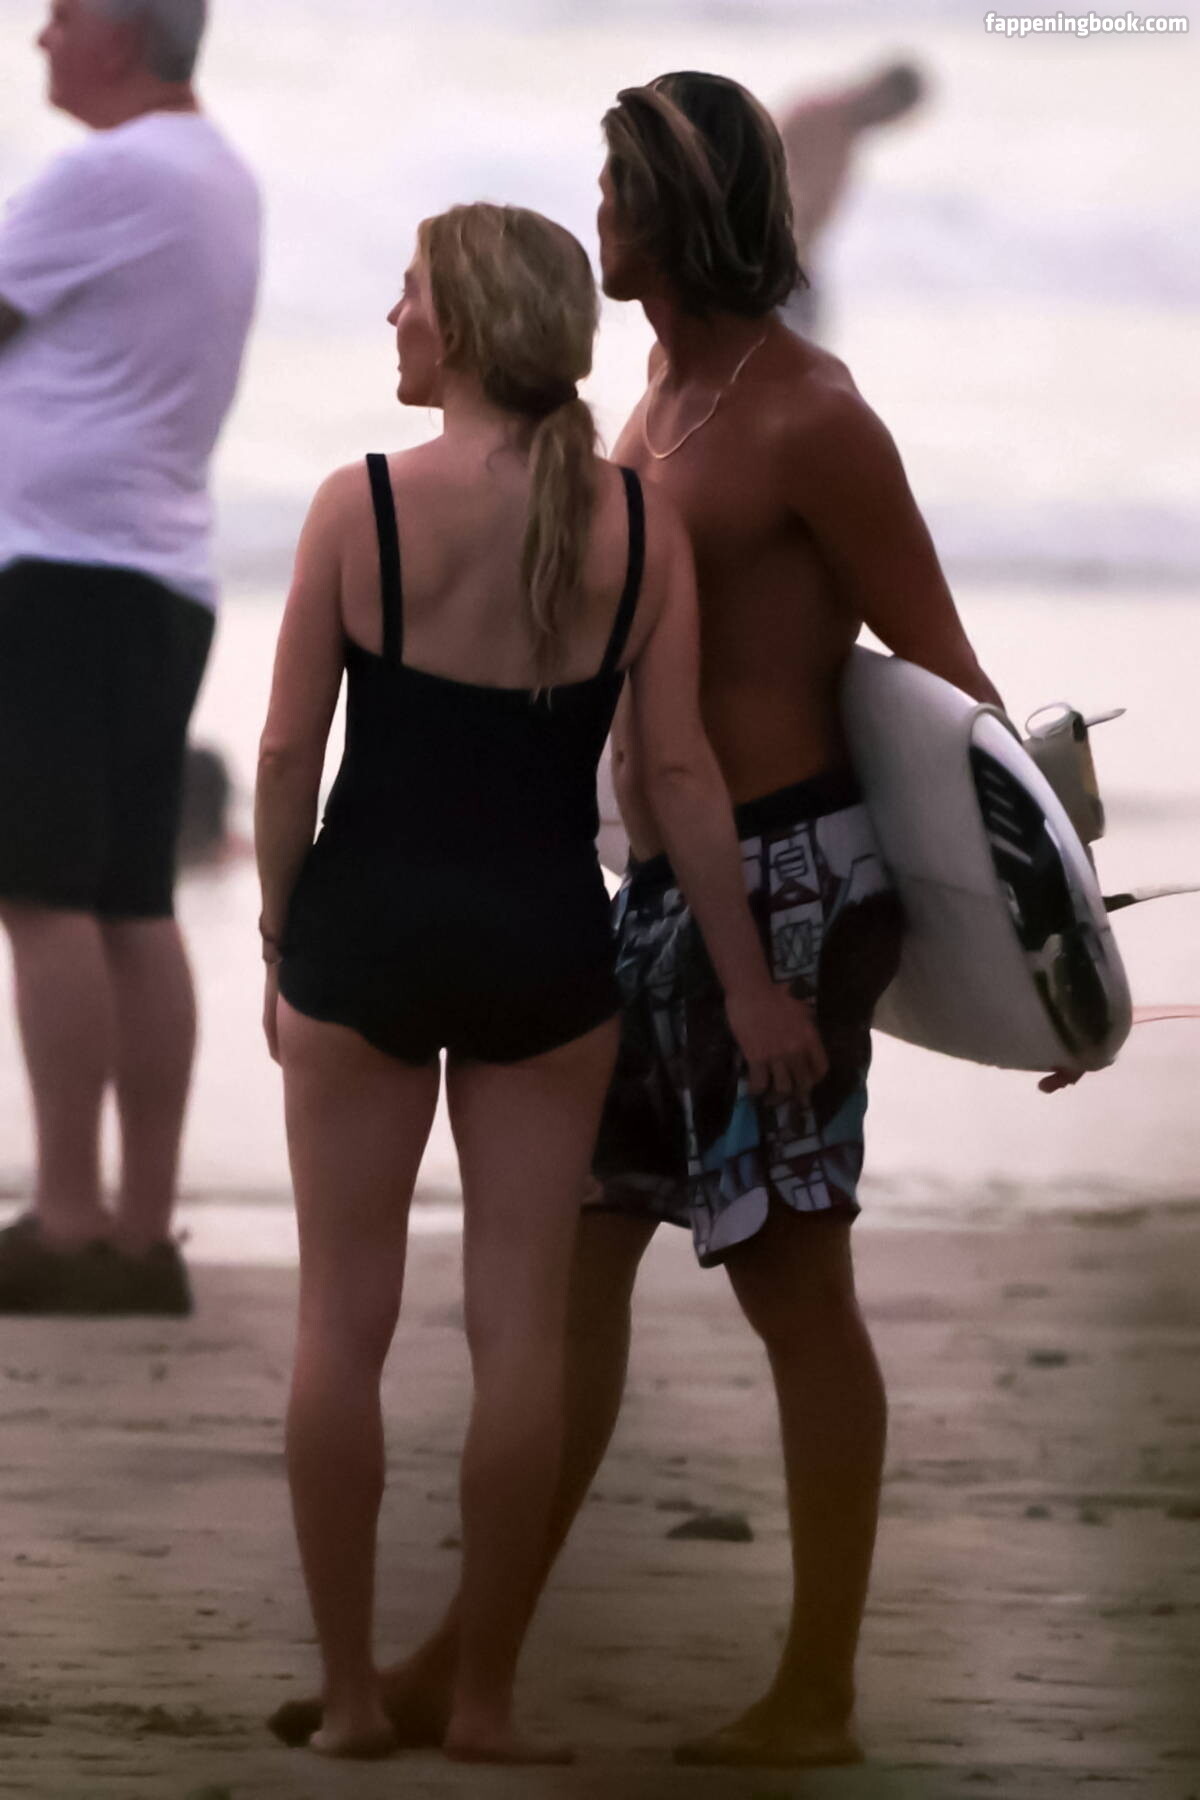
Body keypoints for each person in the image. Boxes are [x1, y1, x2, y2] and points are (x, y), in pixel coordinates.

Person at [269, 71, 1008, 1771]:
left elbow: (948, 677)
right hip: (655, 901)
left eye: (613, 193)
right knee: (573, 1282)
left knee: (794, 1285)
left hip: (789, 891)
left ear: (668, 212)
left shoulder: (812, 414)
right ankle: (466, 1660)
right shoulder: (655, 401)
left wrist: (1030, 950)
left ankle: (817, 1687)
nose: (593, 217)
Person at [255, 201, 824, 1764]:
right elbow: (676, 776)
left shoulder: (361, 507)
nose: (392, 316)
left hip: (365, 940)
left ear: (464, 325)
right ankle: (487, 1699)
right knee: (521, 1333)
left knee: (341, 1327)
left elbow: (291, 755)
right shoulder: (638, 525)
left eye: (411, 293)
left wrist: (281, 936)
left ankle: (355, 1698)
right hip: (544, 951)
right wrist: (751, 985)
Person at [0, 0, 260, 1316]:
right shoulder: (218, 173)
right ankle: (141, 1227)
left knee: (41, 893)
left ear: (115, 31)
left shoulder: (110, 171)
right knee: (128, 899)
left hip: (61, 566)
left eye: (59, 17)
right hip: (160, 568)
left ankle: (69, 1223)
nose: (40, 38)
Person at [778, 60, 926, 338]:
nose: (889, 121)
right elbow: (774, 178)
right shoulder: (818, 117)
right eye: (893, 111)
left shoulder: (845, 131)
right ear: (880, 91)